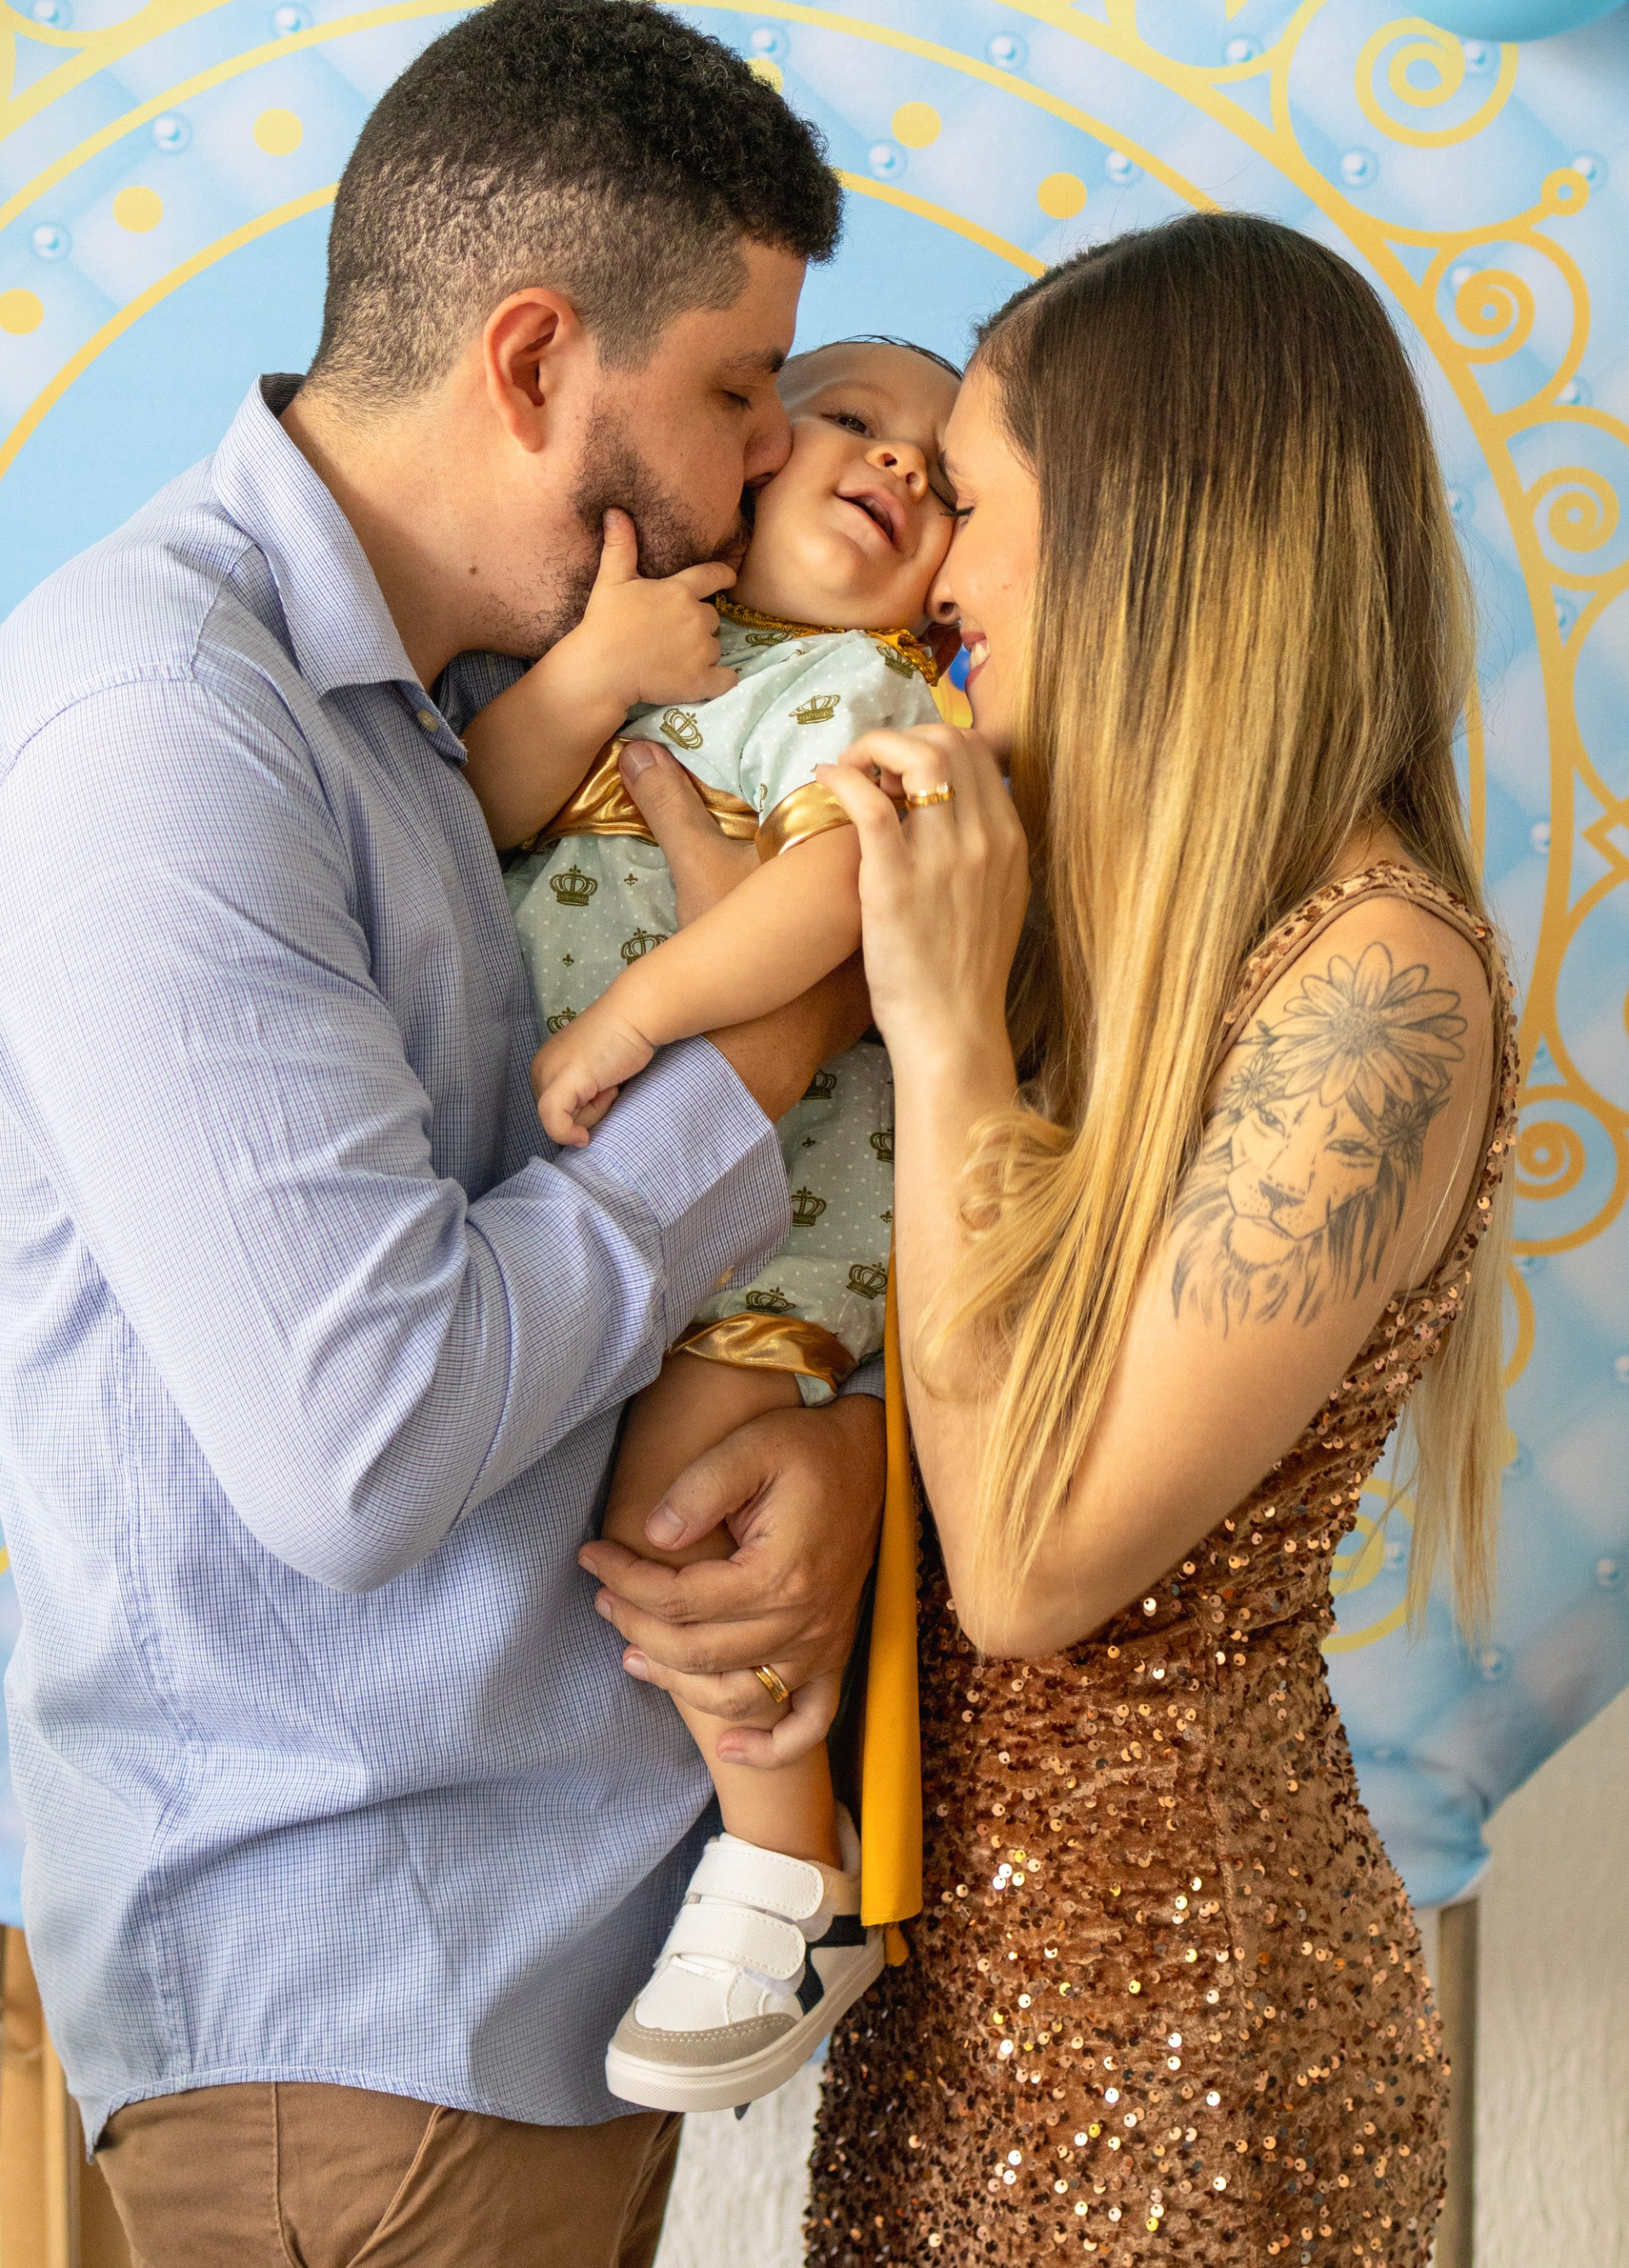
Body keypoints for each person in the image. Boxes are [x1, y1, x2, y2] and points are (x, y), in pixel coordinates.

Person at [0, 0, 893, 2268]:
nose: (766, 461)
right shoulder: (156, 733)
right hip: (356, 2011)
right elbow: (366, 1442)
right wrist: (750, 1068)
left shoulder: (473, 719)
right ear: (533, 363)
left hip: (513, 1988)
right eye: (736, 390)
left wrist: (821, 1437)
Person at [581, 214, 1517, 2264]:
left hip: (1183, 2075)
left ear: (1147, 528)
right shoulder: (1101, 910)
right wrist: (832, 1455)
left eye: (979, 503)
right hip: (961, 2032)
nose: (945, 575)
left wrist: (937, 1029)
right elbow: (979, 1352)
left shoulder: (1381, 987)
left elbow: (1027, 1569)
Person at [463, 338, 960, 2112]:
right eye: (857, 421)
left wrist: (638, 1013)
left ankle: (787, 1867)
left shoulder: (870, 687)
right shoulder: (646, 642)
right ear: (747, 452)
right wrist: (593, 673)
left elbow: (831, 899)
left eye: (941, 479)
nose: (899, 468)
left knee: (679, 1522)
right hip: (587, 1194)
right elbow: (468, 810)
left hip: (776, 1212)